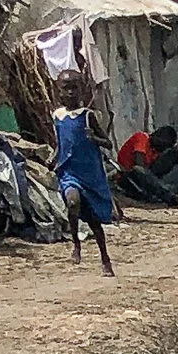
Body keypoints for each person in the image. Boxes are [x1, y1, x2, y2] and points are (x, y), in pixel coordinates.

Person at [51, 72, 117, 276]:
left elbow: (108, 143)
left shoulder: (87, 116)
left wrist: (94, 139)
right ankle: (76, 244)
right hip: (69, 171)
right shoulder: (58, 116)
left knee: (93, 219)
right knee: (72, 203)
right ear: (59, 90)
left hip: (89, 174)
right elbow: (61, 143)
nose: (70, 92)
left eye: (74, 88)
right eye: (66, 88)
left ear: (81, 89)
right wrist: (53, 159)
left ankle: (105, 258)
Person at [115, 123, 178, 206]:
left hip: (147, 174)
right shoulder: (142, 138)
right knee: (139, 170)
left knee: (177, 152)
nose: (162, 149)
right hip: (129, 177)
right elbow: (139, 164)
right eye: (162, 145)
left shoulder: (156, 150)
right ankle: (173, 199)